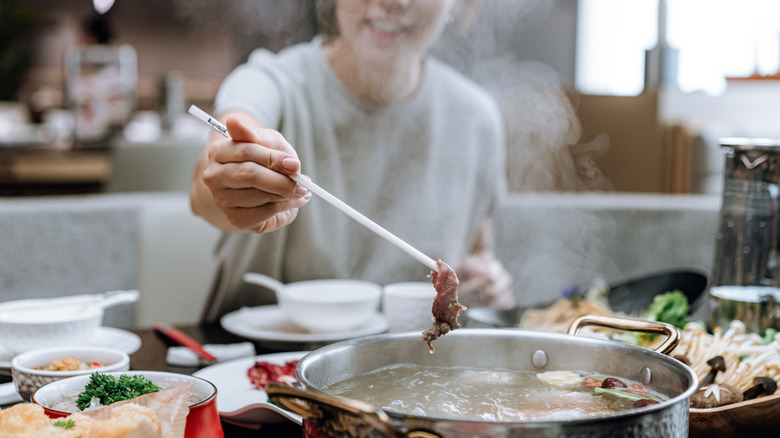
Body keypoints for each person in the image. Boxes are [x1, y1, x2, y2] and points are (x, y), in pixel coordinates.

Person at [191, 0, 513, 323]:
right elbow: (205, 188)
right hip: (252, 359)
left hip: (402, 362)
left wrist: (488, 290)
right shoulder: (272, 82)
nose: (392, 2)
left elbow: (477, 258)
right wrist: (232, 179)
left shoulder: (475, 120)